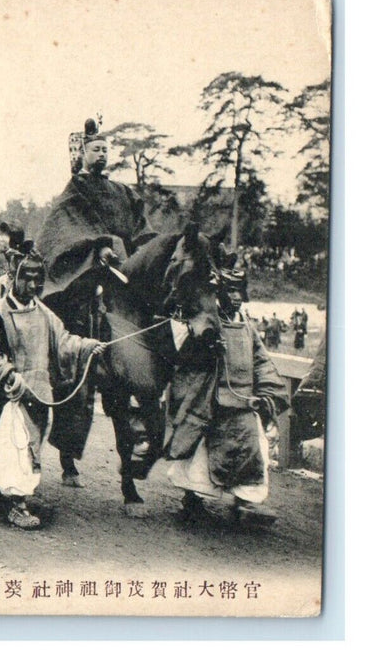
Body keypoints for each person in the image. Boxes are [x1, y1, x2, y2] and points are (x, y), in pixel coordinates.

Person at [0, 238, 105, 529]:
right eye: (27, 278)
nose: (33, 285)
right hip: (10, 393)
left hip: (39, 392)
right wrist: (8, 372)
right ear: (16, 277)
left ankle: (0, 493)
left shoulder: (45, 315)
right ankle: (16, 505)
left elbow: (64, 342)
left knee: (29, 446)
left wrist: (86, 346)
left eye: (38, 279)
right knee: (15, 446)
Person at [36, 117, 152, 487]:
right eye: (95, 148)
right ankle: (68, 457)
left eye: (105, 148)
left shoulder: (122, 192)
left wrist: (144, 252)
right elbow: (62, 235)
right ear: (82, 154)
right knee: (75, 370)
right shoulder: (74, 192)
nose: (102, 153)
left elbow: (140, 230)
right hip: (81, 289)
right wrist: (95, 247)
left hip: (119, 283)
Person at [163, 262, 289, 526]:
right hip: (209, 400)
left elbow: (261, 361)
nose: (235, 297)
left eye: (239, 291)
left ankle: (245, 502)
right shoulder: (203, 320)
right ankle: (192, 500)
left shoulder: (246, 325)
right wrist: (205, 345)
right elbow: (181, 353)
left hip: (242, 402)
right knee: (199, 455)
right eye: (230, 290)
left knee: (253, 448)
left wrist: (266, 391)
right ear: (219, 291)